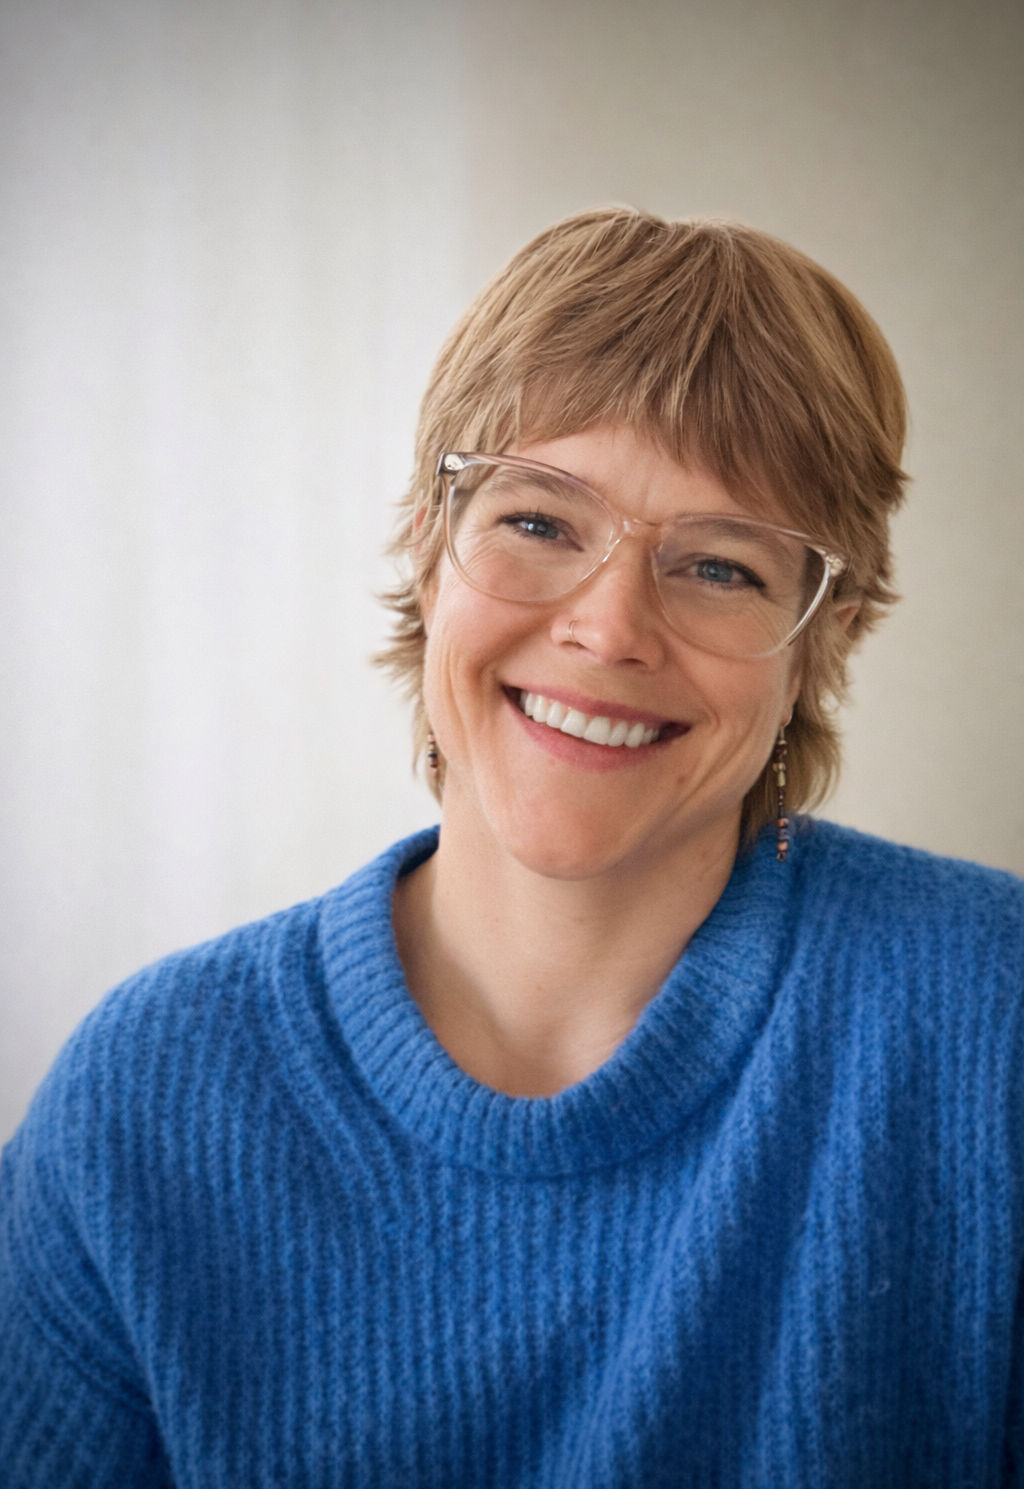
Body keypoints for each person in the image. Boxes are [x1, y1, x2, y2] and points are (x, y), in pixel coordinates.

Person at [1, 209, 1021, 1487]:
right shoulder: (140, 1103)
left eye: (717, 566)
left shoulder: (995, 1028)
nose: (607, 630)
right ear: (430, 548)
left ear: (826, 639)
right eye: (539, 523)